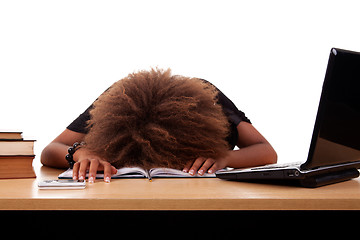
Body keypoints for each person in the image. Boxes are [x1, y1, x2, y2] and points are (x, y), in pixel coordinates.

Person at [41, 68, 277, 183]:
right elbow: (51, 150)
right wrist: (82, 153)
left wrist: (226, 158)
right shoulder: (119, 97)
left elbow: (266, 151)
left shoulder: (211, 98)